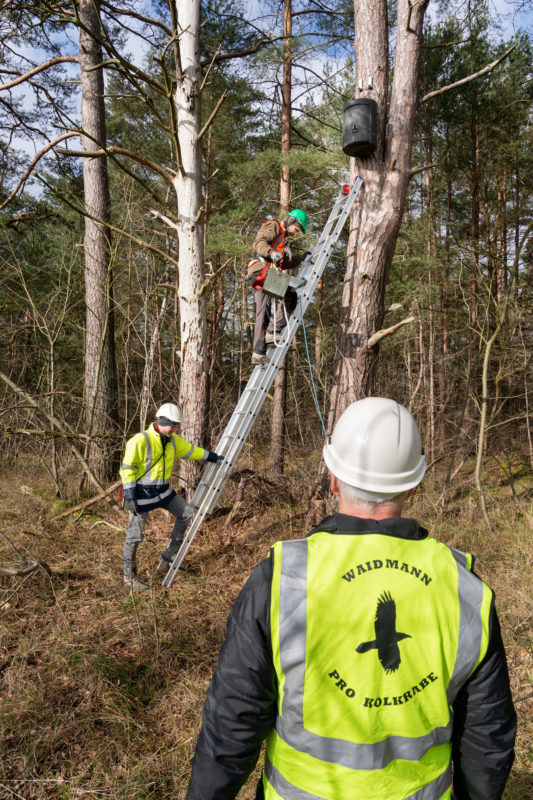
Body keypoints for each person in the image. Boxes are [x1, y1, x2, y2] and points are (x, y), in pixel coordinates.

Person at [186, 397, 516, 799]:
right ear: (413, 483)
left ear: (333, 478)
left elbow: (231, 724)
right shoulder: (464, 589)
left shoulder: (284, 577)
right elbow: (487, 740)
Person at [119, 403, 223, 591]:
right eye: (172, 425)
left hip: (163, 492)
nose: (175, 429)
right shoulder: (139, 440)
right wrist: (129, 495)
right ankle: (129, 576)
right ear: (161, 422)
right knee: (135, 536)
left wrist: (212, 457)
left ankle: (172, 552)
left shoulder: (174, 441)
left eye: (176, 425)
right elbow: (128, 469)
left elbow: (192, 451)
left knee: (186, 513)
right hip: (140, 496)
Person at [248, 208, 309, 365]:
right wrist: (271, 253)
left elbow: (284, 263)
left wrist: (299, 259)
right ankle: (258, 352)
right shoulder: (274, 226)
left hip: (270, 273)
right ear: (291, 221)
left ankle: (272, 331)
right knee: (264, 308)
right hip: (260, 271)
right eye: (296, 229)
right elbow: (259, 242)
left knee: (290, 297)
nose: (296, 233)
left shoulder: (284, 241)